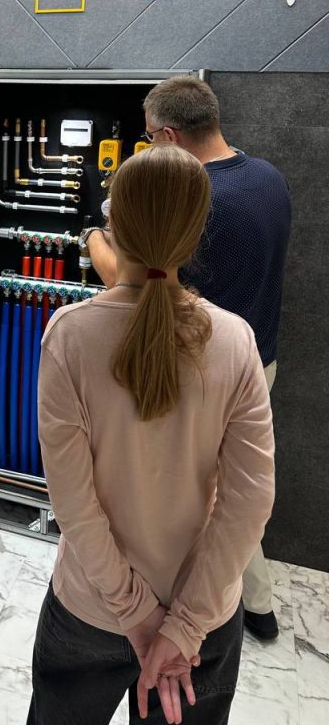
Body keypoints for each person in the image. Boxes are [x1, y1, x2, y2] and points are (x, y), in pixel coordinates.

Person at [28, 144, 275, 725]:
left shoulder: (70, 335)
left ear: (113, 223)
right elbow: (249, 501)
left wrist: (135, 613)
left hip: (91, 610)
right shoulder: (234, 341)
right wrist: (182, 625)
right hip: (203, 620)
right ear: (196, 230)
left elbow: (72, 501)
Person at [84, 75, 290, 641]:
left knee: (196, 494)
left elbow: (134, 280)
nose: (149, 146)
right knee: (234, 484)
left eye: (151, 138)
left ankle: (176, 604)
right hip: (256, 358)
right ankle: (258, 605)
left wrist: (95, 237)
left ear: (170, 136)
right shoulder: (269, 178)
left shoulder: (197, 198)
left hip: (197, 364)